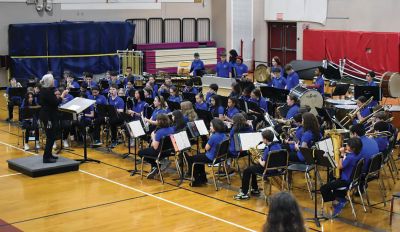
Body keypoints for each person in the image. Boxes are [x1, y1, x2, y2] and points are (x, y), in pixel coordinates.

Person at [320, 137, 362, 217]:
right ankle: (340, 196)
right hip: (352, 179)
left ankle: (337, 201)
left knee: (324, 188)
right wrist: (346, 152)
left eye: (348, 145)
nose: (346, 146)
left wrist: (342, 154)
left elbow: (339, 166)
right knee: (332, 176)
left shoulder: (350, 157)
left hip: (345, 181)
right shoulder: (357, 154)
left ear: (353, 148)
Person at [234, 130, 282, 200]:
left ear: (265, 139)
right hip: (277, 168)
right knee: (252, 168)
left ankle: (244, 193)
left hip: (268, 170)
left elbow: (263, 164)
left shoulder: (268, 150)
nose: (262, 140)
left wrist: (259, 158)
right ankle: (255, 188)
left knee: (247, 170)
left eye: (262, 138)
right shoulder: (277, 145)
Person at [186, 118, 227, 186]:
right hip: (219, 158)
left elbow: (206, 148)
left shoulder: (213, 136)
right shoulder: (224, 135)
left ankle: (197, 181)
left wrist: (210, 136)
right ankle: (203, 179)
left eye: (211, 126)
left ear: (215, 127)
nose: (210, 127)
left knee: (191, 159)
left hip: (211, 157)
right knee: (199, 158)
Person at [39, 74, 68, 163]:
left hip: (50, 115)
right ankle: (46, 157)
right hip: (48, 117)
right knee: (50, 136)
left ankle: (49, 154)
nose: (54, 81)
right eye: (52, 80)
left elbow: (53, 92)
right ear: (49, 82)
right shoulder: (46, 92)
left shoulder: (46, 89)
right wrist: (62, 95)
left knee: (52, 136)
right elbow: (55, 102)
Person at [138, 114, 175, 179]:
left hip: (159, 152)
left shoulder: (159, 132)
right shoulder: (172, 129)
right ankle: (157, 165)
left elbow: (155, 147)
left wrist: (153, 136)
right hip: (169, 151)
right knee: (149, 151)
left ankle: (156, 165)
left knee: (140, 152)